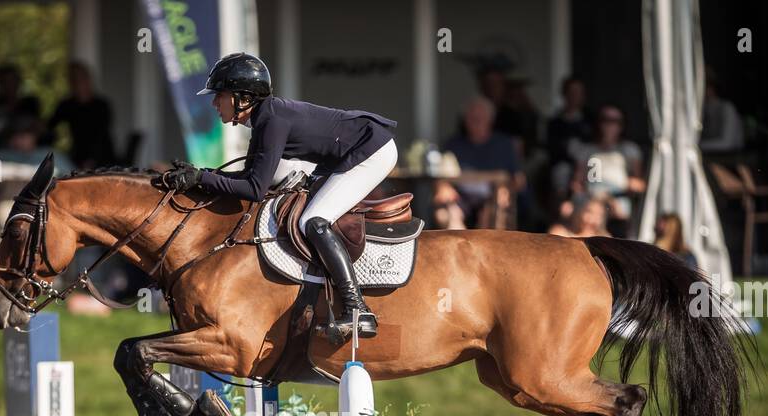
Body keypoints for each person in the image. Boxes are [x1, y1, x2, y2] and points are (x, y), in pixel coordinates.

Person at [161, 52, 398, 342]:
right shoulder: (266, 118)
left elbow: (254, 190)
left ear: (242, 98)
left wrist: (202, 178)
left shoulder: (271, 120)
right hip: (350, 151)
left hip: (371, 150)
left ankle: (357, 310)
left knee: (313, 220)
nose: (213, 103)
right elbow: (252, 179)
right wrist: (201, 175)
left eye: (219, 95)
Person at [439, 96, 526, 228]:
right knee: (444, 213)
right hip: (460, 199)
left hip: (492, 198)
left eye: (481, 117)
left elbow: (519, 180)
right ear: (465, 120)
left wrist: (508, 189)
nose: (476, 121)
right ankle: (458, 247)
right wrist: (442, 187)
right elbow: (439, 175)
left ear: (490, 120)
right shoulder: (453, 144)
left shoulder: (504, 144)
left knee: (494, 214)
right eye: (472, 118)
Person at [569, 104, 645, 234]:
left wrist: (628, 184)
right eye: (605, 120)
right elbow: (576, 182)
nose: (609, 125)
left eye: (615, 121)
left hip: (617, 202)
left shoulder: (630, 150)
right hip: (591, 201)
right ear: (598, 123)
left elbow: (640, 185)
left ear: (622, 125)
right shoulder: (587, 150)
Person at [48, 61, 117, 170]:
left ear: (88, 80)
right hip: (77, 155)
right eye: (73, 80)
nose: (77, 83)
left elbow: (101, 136)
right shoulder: (67, 105)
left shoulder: (102, 105)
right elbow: (49, 124)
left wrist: (92, 159)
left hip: (102, 157)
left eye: (80, 79)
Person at [547, 76, 592, 200]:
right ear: (564, 94)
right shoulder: (555, 123)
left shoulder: (591, 119)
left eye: (578, 92)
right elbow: (552, 150)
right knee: (561, 172)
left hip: (590, 163)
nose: (575, 96)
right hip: (565, 166)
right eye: (571, 92)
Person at [701, 75, 744, 154]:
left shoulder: (727, 108)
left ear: (711, 89)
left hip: (731, 159)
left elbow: (726, 143)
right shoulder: (703, 111)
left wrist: (695, 145)